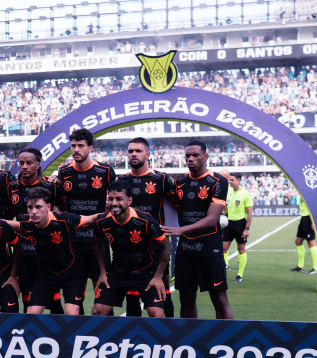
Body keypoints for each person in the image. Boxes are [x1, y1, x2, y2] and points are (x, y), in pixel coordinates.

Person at [161, 140, 233, 320]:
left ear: (205, 157)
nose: (190, 159)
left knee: (219, 298)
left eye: (195, 155)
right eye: (187, 156)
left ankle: (228, 342)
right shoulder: (179, 182)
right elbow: (177, 210)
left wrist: (181, 230)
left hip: (210, 248)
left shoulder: (219, 181)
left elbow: (212, 219)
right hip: (185, 250)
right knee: (185, 299)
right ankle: (189, 341)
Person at [7, 187, 102, 315]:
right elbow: (6, 224)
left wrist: (115, 213)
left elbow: (91, 218)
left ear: (48, 207)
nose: (33, 211)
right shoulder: (27, 222)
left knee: (71, 314)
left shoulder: (65, 219)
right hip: (46, 274)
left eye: (38, 207)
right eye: (30, 207)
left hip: (71, 273)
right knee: (31, 313)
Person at [116, 137, 177, 317]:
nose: (134, 154)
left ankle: (169, 333)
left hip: (156, 245)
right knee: (132, 293)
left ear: (147, 154)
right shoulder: (122, 181)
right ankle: (134, 338)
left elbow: (176, 205)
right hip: (130, 245)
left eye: (138, 151)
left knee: (163, 288)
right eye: (130, 151)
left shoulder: (161, 178)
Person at [56, 129, 116, 314]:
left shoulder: (105, 171)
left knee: (104, 294)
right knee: (75, 296)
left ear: (90, 147)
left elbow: (118, 199)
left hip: (98, 242)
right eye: (73, 146)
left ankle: (107, 338)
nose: (76, 150)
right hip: (73, 243)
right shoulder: (63, 172)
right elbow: (58, 202)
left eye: (80, 146)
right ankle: (77, 337)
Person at [91, 182, 171, 318]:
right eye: (110, 199)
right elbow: (97, 244)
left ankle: (156, 340)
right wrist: (103, 272)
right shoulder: (101, 222)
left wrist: (158, 277)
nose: (114, 203)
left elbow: (167, 246)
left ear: (129, 200)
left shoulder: (146, 220)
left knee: (158, 315)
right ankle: (103, 339)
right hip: (118, 272)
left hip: (146, 273)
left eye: (119, 199)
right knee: (97, 311)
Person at [6, 147, 65, 314]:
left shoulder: (51, 187)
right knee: (27, 298)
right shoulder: (12, 187)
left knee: (54, 301)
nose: (24, 166)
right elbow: (9, 216)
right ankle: (28, 335)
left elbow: (64, 211)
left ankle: (61, 336)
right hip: (23, 251)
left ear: (38, 164)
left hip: (48, 251)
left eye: (29, 163)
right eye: (21, 163)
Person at [223, 173, 254, 283]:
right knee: (223, 248)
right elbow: (225, 209)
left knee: (241, 249)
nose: (230, 181)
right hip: (228, 223)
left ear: (239, 181)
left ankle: (239, 274)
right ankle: (224, 268)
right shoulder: (228, 192)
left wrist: (247, 229)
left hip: (240, 224)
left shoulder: (245, 194)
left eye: (232, 180)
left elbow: (249, 213)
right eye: (229, 179)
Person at [291, 196, 317, 275]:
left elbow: (315, 206)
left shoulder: (309, 193)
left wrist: (314, 221)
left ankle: (316, 268)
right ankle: (300, 266)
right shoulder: (302, 192)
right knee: (298, 241)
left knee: (311, 243)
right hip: (303, 218)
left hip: (309, 218)